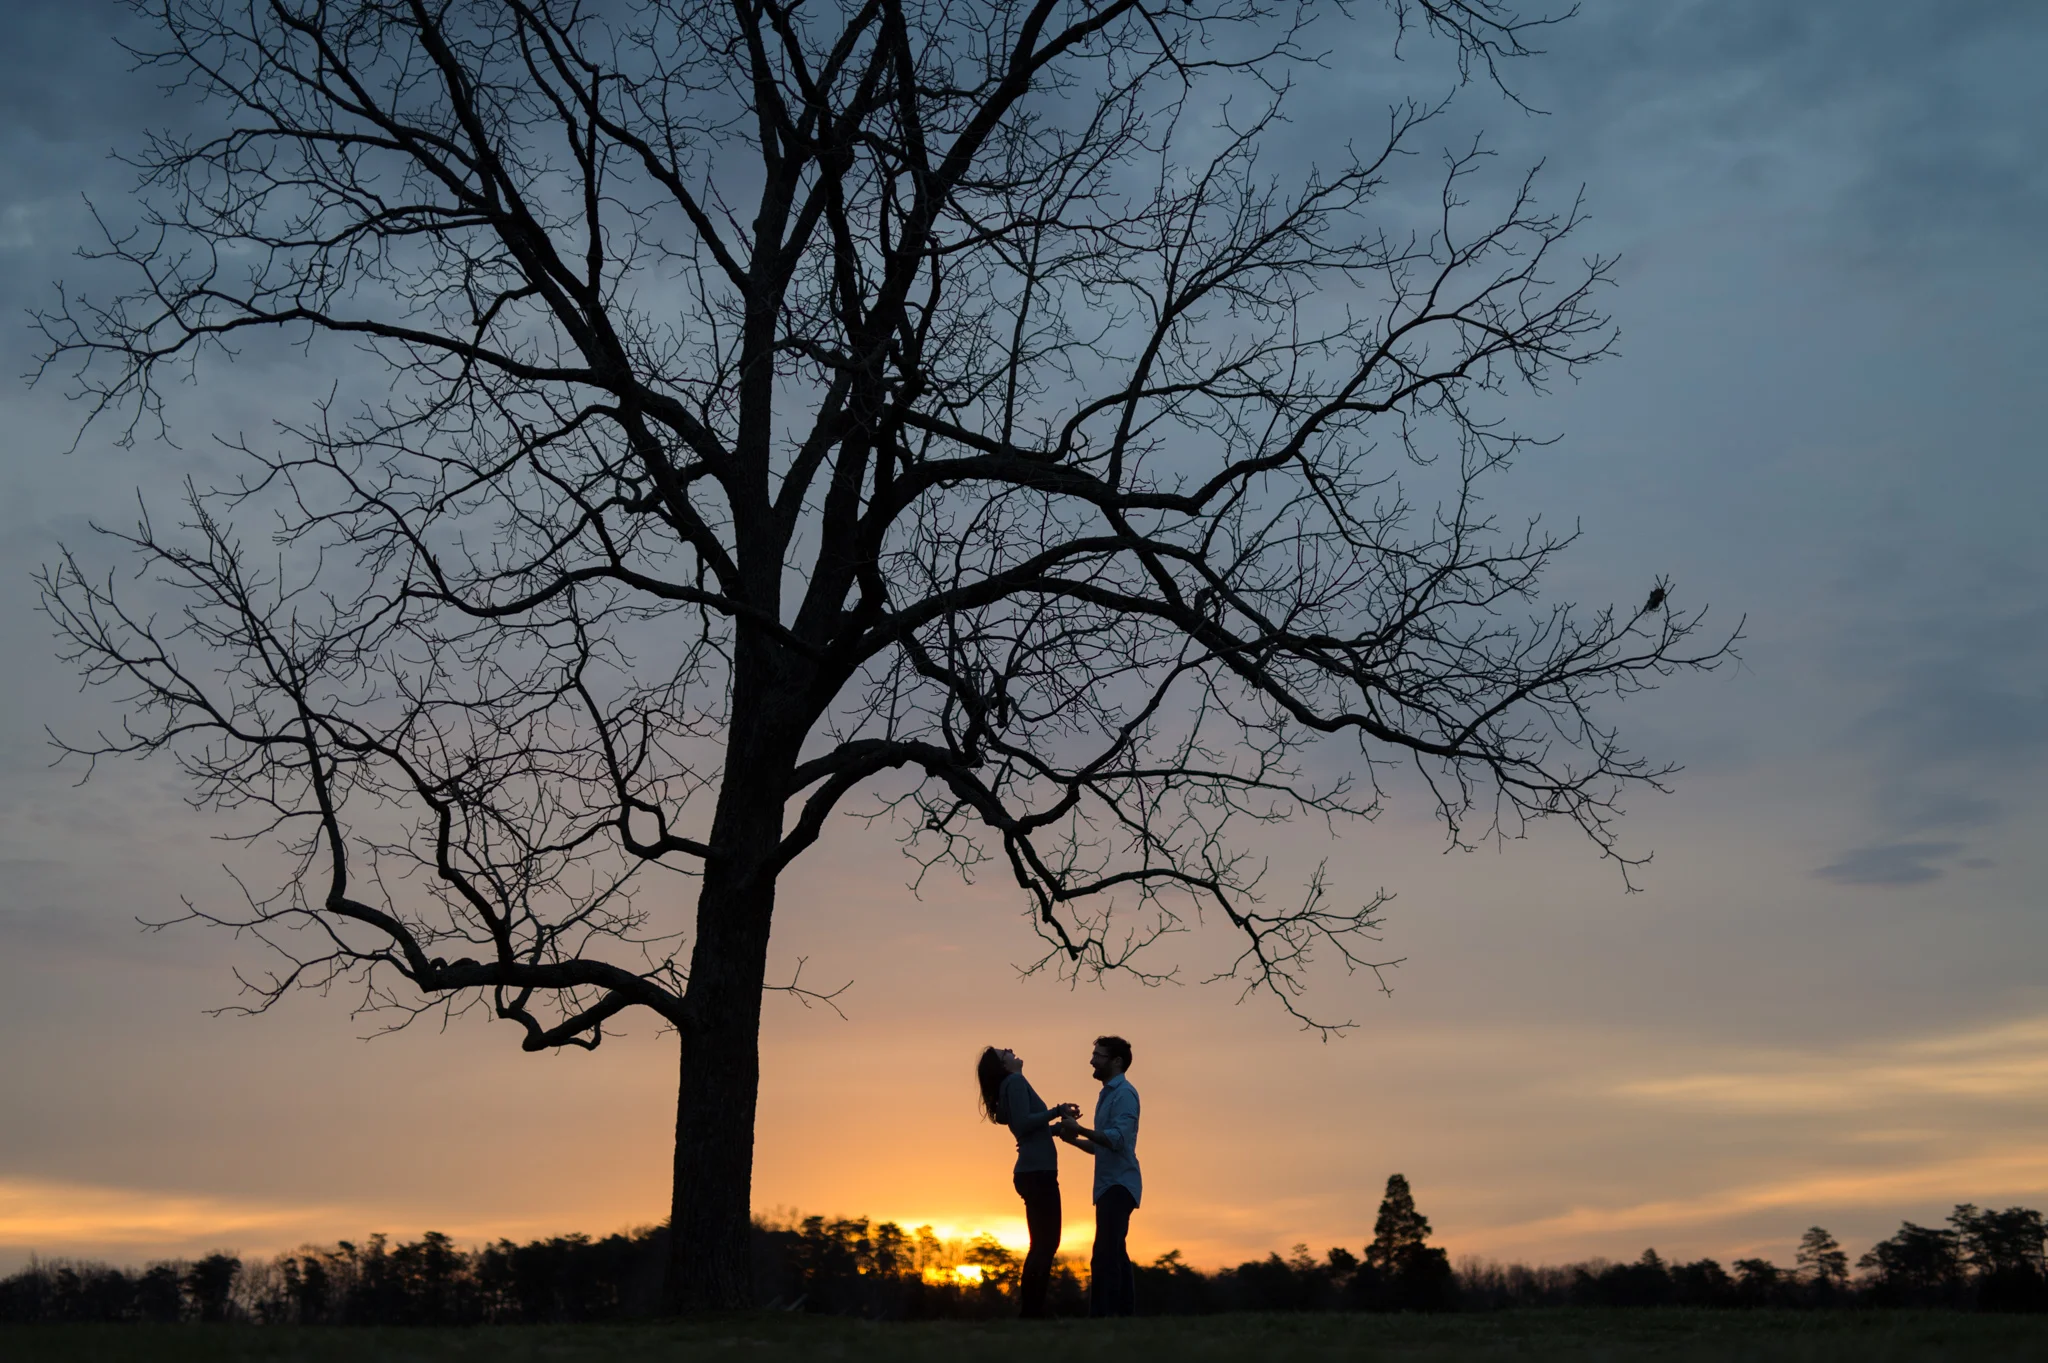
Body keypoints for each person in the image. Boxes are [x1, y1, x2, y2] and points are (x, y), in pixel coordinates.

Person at [976, 1046, 1080, 1318]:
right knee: (1046, 1245)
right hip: (1038, 1173)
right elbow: (1023, 1125)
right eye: (1004, 1053)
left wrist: (1059, 1128)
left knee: (1041, 1245)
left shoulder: (1012, 1085)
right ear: (1003, 1066)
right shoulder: (1015, 1082)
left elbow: (1031, 1130)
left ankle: (1032, 1312)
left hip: (1033, 1172)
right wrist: (1057, 1110)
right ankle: (1032, 1312)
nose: (1010, 1050)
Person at [1055, 1034, 1140, 1317]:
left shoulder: (1124, 1094)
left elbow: (1116, 1140)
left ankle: (1102, 1316)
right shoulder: (1108, 1094)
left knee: (1104, 1253)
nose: (1092, 1060)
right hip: (1109, 1186)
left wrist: (1079, 1130)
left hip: (1119, 1184)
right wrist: (1073, 1139)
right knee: (1116, 1252)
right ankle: (1123, 1317)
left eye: (1098, 1056)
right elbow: (1100, 1146)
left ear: (1116, 1061)